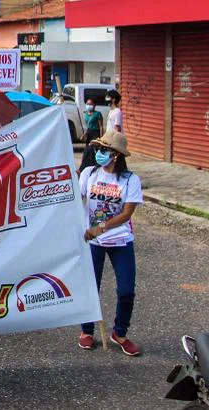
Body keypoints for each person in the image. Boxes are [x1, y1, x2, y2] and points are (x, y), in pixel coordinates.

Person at [78, 130, 142, 357]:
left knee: (126, 290)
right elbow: (78, 200)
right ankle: (87, 331)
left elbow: (126, 214)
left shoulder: (130, 180)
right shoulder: (88, 173)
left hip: (120, 240)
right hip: (91, 242)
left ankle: (120, 333)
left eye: (104, 150)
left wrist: (100, 228)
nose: (99, 154)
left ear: (116, 155)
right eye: (98, 149)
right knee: (90, 287)